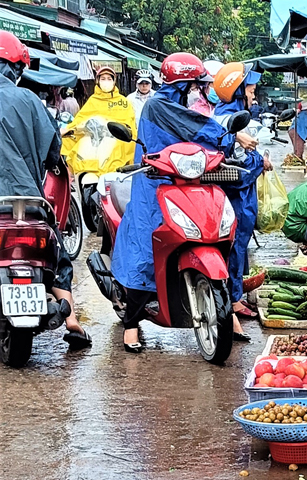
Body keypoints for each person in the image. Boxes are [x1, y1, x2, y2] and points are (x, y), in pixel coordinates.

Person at [111, 52, 255, 353]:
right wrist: (231, 138)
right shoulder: (158, 106)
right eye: (196, 85)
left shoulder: (183, 106)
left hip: (189, 182)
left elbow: (203, 138)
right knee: (146, 252)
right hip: (155, 185)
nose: (200, 90)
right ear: (184, 85)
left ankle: (224, 310)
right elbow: (202, 130)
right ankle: (132, 324)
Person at [0, 31, 90, 349]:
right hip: (25, 202)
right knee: (57, 256)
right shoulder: (29, 101)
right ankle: (72, 322)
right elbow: (54, 152)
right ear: (16, 68)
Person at [213, 62, 273, 323]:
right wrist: (259, 161)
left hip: (243, 194)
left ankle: (235, 292)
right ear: (237, 90)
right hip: (235, 194)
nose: (253, 95)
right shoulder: (227, 118)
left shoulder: (237, 113)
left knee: (239, 247)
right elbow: (237, 165)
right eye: (250, 90)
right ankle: (234, 299)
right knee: (235, 246)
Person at [61, 66, 137, 176]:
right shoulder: (92, 101)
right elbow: (80, 120)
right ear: (98, 81)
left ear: (114, 81)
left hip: (116, 144)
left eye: (109, 79)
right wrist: (67, 129)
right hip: (93, 144)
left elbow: (130, 125)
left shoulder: (123, 102)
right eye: (103, 78)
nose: (106, 81)